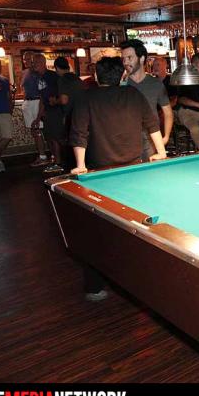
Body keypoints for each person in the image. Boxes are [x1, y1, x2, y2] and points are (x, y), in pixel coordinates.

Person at [70, 56, 167, 301]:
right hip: (135, 170)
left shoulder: (85, 97)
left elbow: (79, 133)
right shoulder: (133, 94)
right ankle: (144, 279)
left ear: (96, 76)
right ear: (122, 75)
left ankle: (94, 287)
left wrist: (80, 165)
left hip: (99, 174)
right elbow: (152, 124)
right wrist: (161, 151)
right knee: (137, 225)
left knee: (97, 232)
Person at [120, 39, 173, 160]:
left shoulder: (155, 84)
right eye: (124, 59)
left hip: (151, 137)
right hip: (127, 138)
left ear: (142, 58)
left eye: (129, 58)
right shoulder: (121, 84)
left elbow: (168, 113)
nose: (126, 62)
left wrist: (166, 137)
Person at [30, 54, 64, 174]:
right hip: (48, 112)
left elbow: (59, 95)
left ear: (43, 63)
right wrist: (38, 117)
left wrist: (55, 103)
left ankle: (59, 163)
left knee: (55, 138)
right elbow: (42, 99)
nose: (34, 64)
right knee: (49, 137)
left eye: (36, 62)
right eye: (33, 62)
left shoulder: (51, 76)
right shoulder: (40, 78)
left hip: (56, 111)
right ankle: (55, 161)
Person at [54, 56, 85, 171]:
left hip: (70, 114)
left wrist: (54, 101)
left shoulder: (63, 79)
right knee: (78, 141)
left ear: (57, 68)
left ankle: (71, 169)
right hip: (82, 114)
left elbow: (64, 100)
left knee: (68, 143)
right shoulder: (77, 78)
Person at [174, 52, 199, 151]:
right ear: (193, 65)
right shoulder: (186, 77)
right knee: (195, 129)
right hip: (187, 111)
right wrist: (198, 105)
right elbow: (181, 99)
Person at [21, 50, 49, 167]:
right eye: (25, 59)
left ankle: (45, 156)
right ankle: (42, 155)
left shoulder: (40, 73)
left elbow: (44, 92)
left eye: (29, 59)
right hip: (28, 103)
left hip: (37, 102)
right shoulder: (25, 72)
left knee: (40, 130)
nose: (26, 61)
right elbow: (24, 88)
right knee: (34, 131)